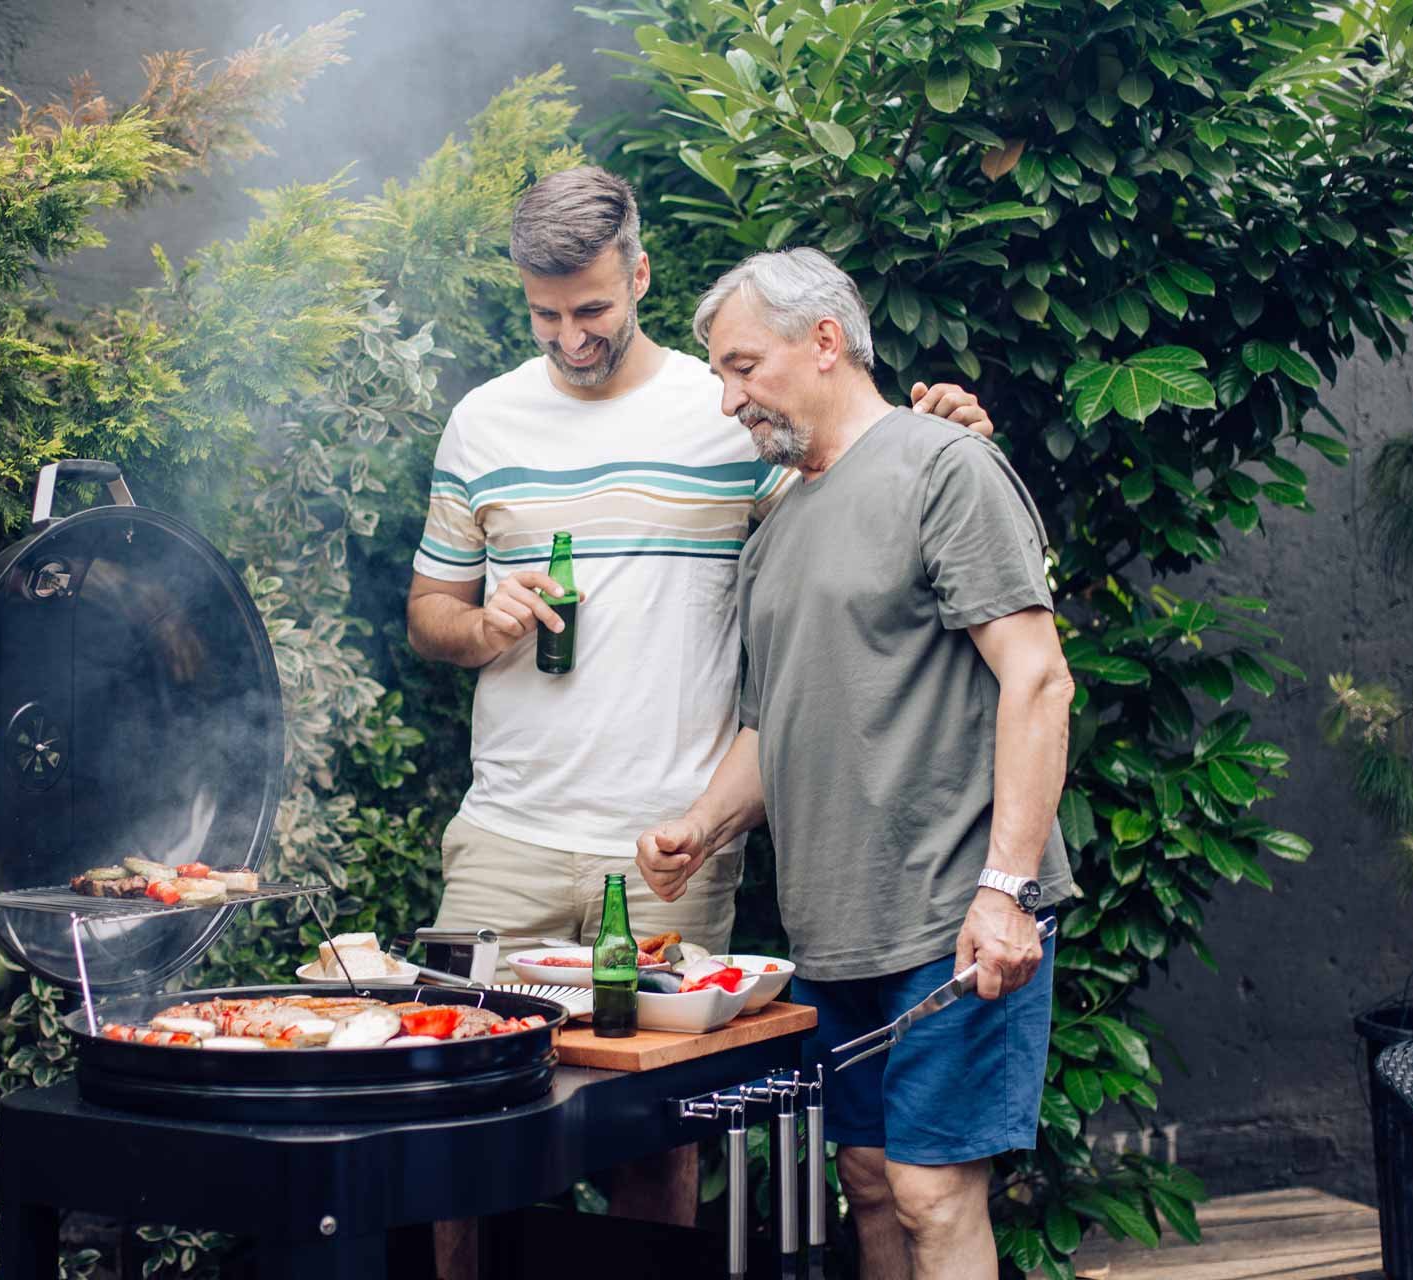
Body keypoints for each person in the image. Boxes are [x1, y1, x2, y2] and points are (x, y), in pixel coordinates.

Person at [404, 167, 994, 1249]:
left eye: (592, 308)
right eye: (545, 314)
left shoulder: (726, 408)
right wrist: (481, 623)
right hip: (506, 833)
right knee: (465, 1122)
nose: (571, 335)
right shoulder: (481, 420)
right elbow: (428, 609)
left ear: (637, 273)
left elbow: (853, 491)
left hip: (673, 837)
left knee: (653, 1134)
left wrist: (941, 426)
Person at [635, 246, 1076, 1280]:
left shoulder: (943, 467)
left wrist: (1006, 889)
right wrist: (702, 824)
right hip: (836, 930)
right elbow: (774, 720)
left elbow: (1038, 679)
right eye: (720, 373)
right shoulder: (778, 519)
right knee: (871, 1183)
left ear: (825, 341)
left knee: (932, 1193)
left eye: (743, 365)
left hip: (950, 912)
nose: (728, 396)